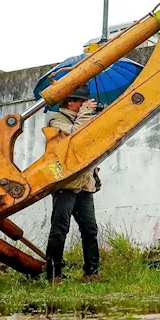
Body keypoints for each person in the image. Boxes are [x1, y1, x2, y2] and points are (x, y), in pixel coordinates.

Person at [44, 87, 102, 282]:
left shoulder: (82, 119)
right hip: (65, 186)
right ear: (70, 102)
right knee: (60, 229)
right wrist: (86, 114)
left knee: (90, 230)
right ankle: (54, 275)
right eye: (82, 102)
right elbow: (77, 138)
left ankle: (91, 273)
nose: (85, 105)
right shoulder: (56, 121)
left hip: (84, 184)